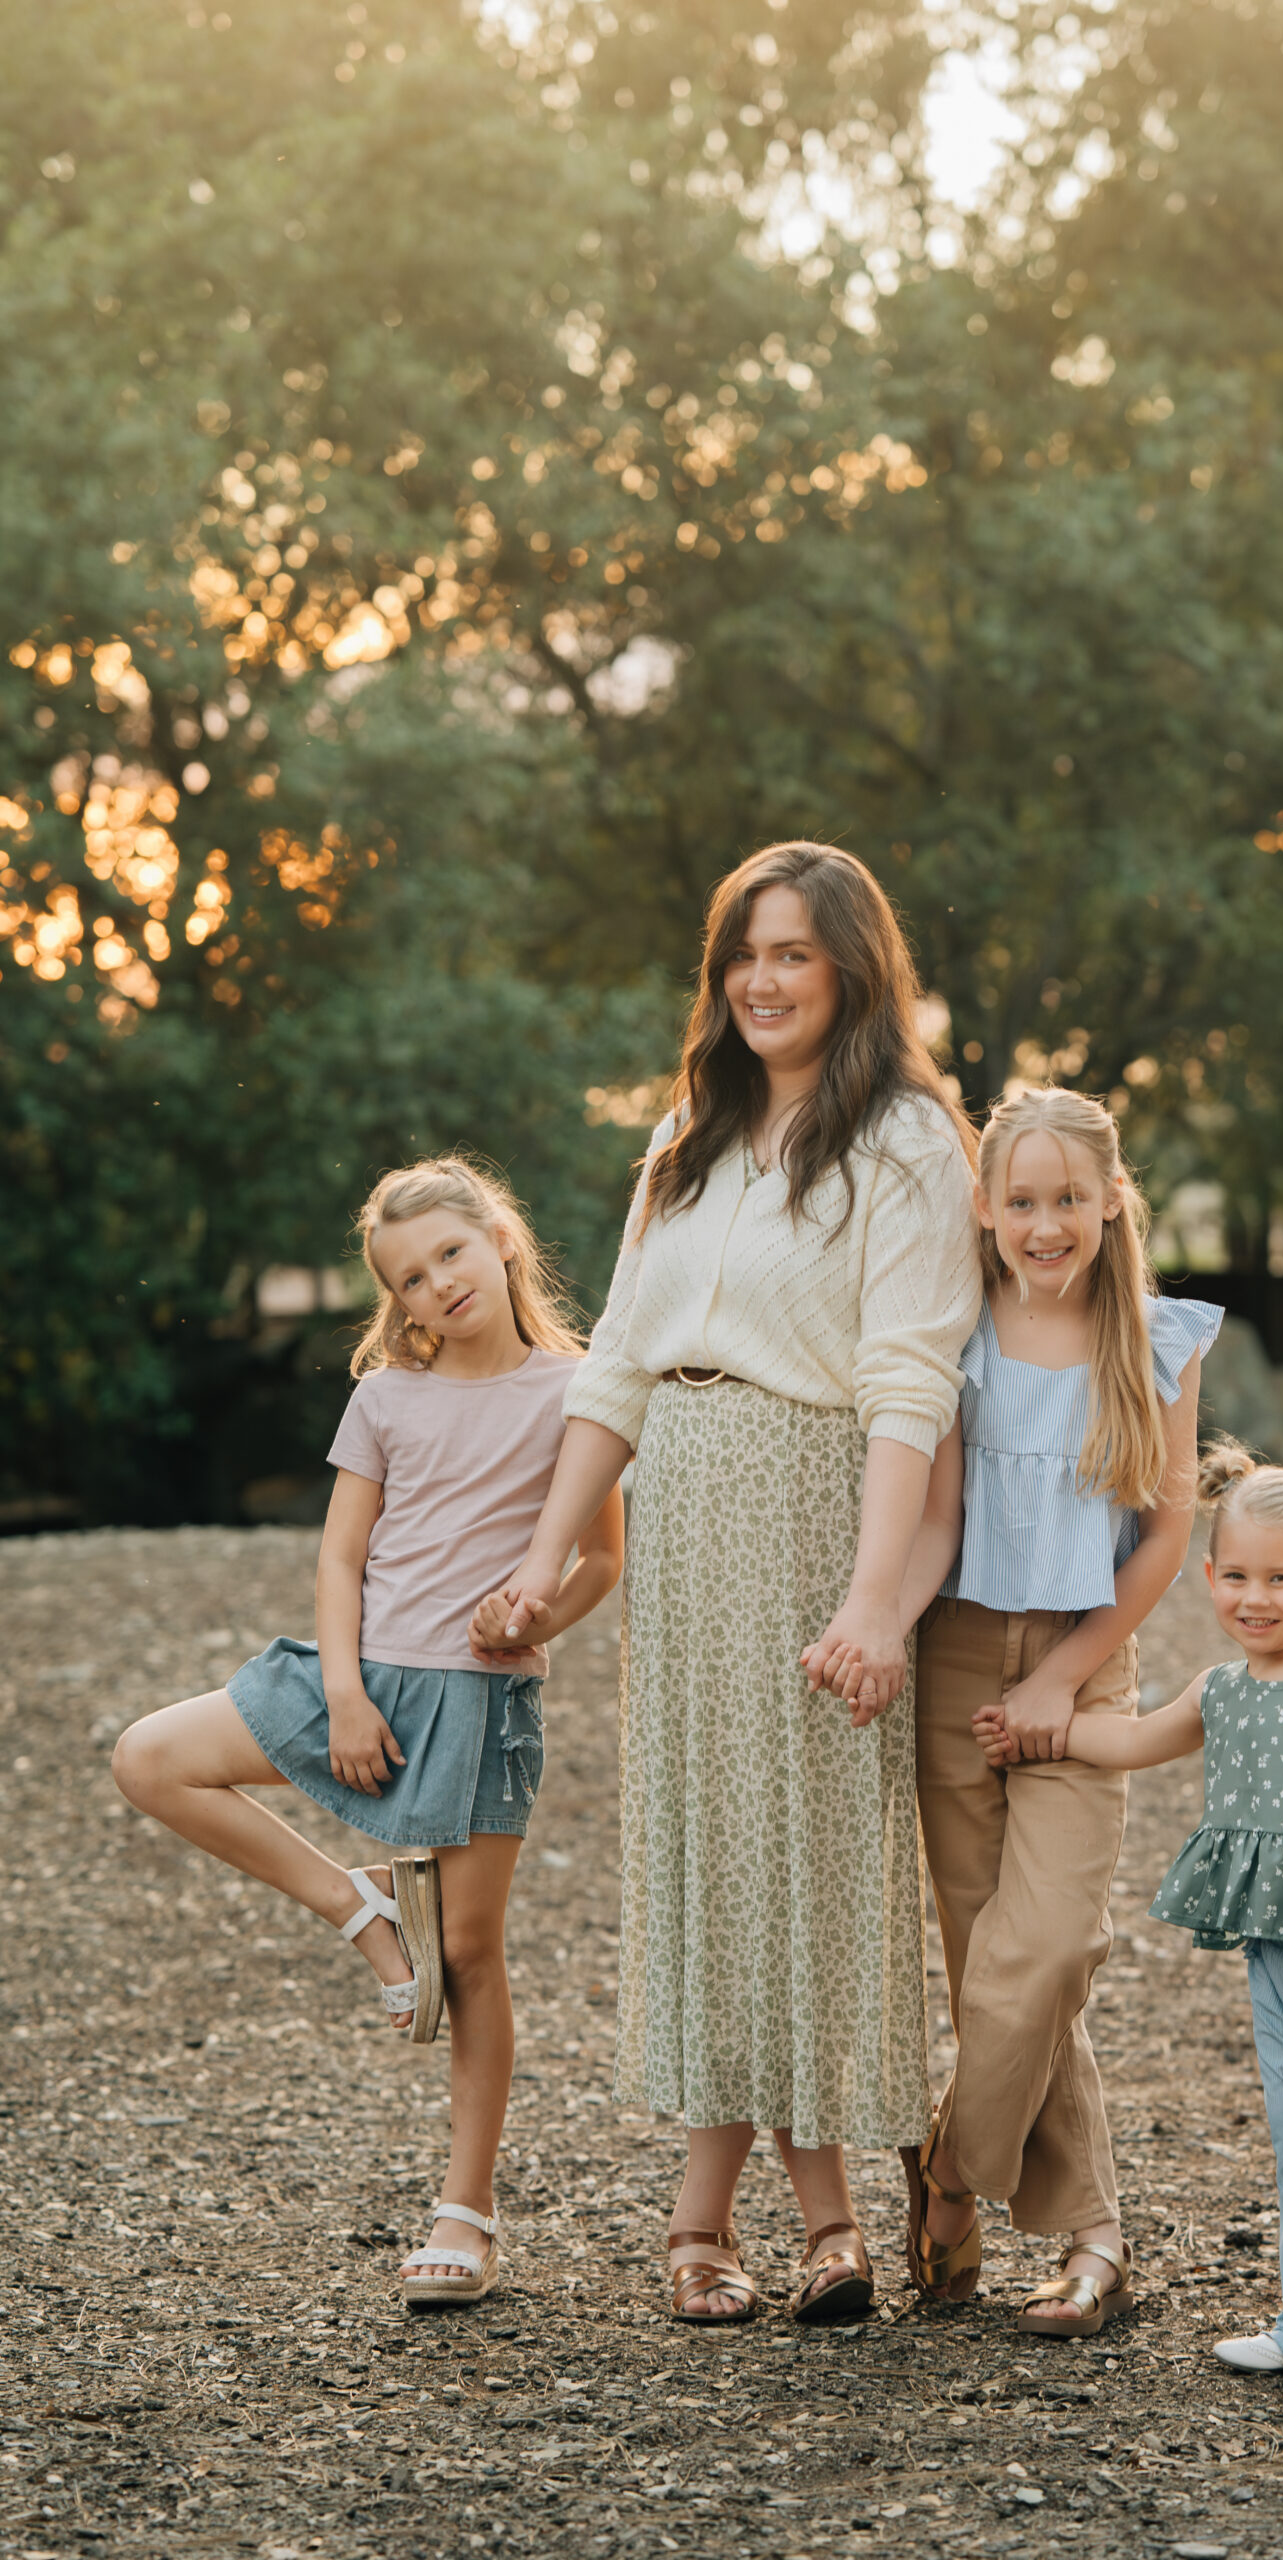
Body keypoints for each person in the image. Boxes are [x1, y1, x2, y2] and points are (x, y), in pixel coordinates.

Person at [474, 842, 982, 2325]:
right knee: (706, 1852)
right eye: (742, 956)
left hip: (816, 1500)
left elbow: (907, 1385)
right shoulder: (686, 1132)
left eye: (793, 956)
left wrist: (873, 1598)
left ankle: (788, 2216)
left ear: (851, 972)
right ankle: (716, 2215)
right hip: (684, 1512)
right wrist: (538, 1557)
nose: (762, 981)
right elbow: (616, 1364)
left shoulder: (900, 1141)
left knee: (812, 1862)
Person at [112, 1158, 623, 2308]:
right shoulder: (386, 1397)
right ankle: (359, 1905)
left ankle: (465, 2211)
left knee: (470, 1959)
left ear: (500, 1237)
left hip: (478, 1702)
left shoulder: (576, 1391)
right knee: (150, 1756)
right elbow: (341, 1555)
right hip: (362, 1678)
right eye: (407, 1278)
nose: (435, 1285)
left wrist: (542, 1609)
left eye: (449, 1254)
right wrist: (341, 1692)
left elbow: (602, 1560)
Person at [976, 1435, 1283, 2382]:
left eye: (1278, 1578)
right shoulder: (1220, 1689)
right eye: (1234, 1576)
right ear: (1205, 1574)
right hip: (1273, 1952)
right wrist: (1043, 1731)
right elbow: (1140, 1738)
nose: (1253, 1598)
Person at [879, 1085, 1222, 2332]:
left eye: (1067, 1198)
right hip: (955, 1659)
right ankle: (1094, 2238)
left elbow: (1167, 1532)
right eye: (1019, 1199)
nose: (1043, 1223)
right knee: (990, 1968)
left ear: (1109, 1200)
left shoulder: (1153, 1337)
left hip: (1083, 1667)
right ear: (982, 1203)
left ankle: (951, 2178)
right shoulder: (953, 1331)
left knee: (1046, 1958)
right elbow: (933, 1513)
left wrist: (1061, 1678)